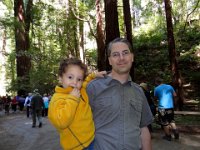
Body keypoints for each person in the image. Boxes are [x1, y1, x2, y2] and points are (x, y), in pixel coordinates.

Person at [87, 37, 153, 150]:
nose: (121, 58)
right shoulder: (93, 87)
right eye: (115, 54)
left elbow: (143, 128)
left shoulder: (139, 91)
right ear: (109, 60)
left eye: (125, 53)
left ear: (132, 57)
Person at [48, 58, 106, 150]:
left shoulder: (81, 90)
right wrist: (73, 99)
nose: (75, 82)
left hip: (91, 139)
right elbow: (61, 122)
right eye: (70, 77)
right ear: (60, 78)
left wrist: (94, 75)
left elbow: (86, 81)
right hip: (77, 147)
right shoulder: (57, 99)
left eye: (79, 79)